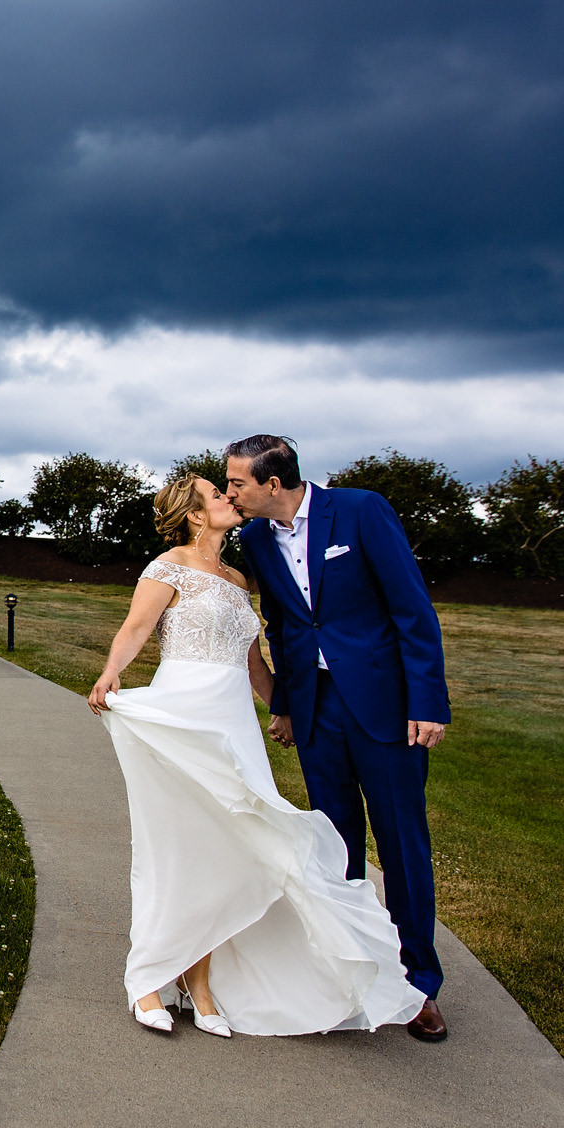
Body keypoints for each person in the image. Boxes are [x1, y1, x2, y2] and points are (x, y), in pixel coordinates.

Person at [88, 474, 427, 1037]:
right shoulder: (166, 566)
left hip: (233, 722)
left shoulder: (238, 577)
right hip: (187, 714)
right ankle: (148, 977)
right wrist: (111, 671)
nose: (229, 497)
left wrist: (285, 708)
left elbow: (253, 663)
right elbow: (137, 627)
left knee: (233, 852)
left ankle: (199, 984)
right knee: (177, 847)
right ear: (195, 515)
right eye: (216, 494)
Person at [224, 433, 451, 1042]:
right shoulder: (252, 539)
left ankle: (418, 985)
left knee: (402, 845)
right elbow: (280, 623)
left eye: (238, 483)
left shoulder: (359, 510)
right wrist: (289, 707)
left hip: (386, 708)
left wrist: (428, 701)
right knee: (334, 849)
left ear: (274, 483)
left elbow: (412, 608)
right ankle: (350, 979)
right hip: (318, 713)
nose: (230, 493)